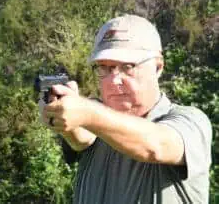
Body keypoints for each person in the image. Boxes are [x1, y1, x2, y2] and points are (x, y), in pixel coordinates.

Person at [39, 14, 212, 204]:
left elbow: (156, 146)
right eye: (104, 68)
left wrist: (85, 112)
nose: (114, 79)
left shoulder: (191, 120)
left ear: (158, 67)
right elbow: (82, 140)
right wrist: (59, 112)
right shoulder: (97, 121)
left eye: (128, 67)